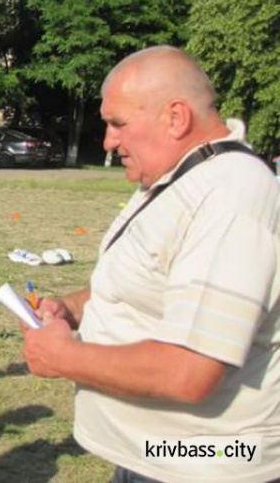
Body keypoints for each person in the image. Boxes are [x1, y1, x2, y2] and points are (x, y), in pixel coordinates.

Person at [23, 46, 280, 482]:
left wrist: (66, 357)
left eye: (118, 124)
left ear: (176, 118)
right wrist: (72, 307)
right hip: (154, 460)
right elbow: (151, 277)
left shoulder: (232, 195)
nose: (107, 141)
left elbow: (190, 372)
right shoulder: (181, 177)